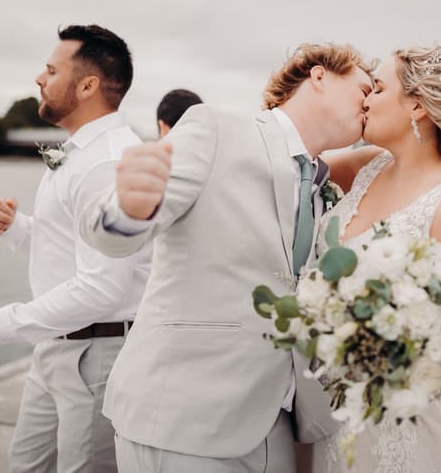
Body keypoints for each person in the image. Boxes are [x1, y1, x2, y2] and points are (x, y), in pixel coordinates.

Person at [78, 43, 374, 473]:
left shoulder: (326, 183)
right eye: (364, 86)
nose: (369, 101)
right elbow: (109, 232)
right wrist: (131, 209)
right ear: (320, 75)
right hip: (182, 418)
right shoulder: (215, 126)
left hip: (279, 422)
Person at [0, 24, 152, 472]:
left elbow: (104, 290)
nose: (40, 79)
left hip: (96, 356)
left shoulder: (109, 162)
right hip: (57, 348)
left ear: (87, 85)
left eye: (50, 69)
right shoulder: (80, 152)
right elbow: (67, 250)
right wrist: (16, 228)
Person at [312, 44, 441, 472]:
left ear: (416, 105)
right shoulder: (366, 166)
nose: (365, 99)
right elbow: (292, 166)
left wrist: (389, 340)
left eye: (376, 88)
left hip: (409, 429)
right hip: (333, 413)